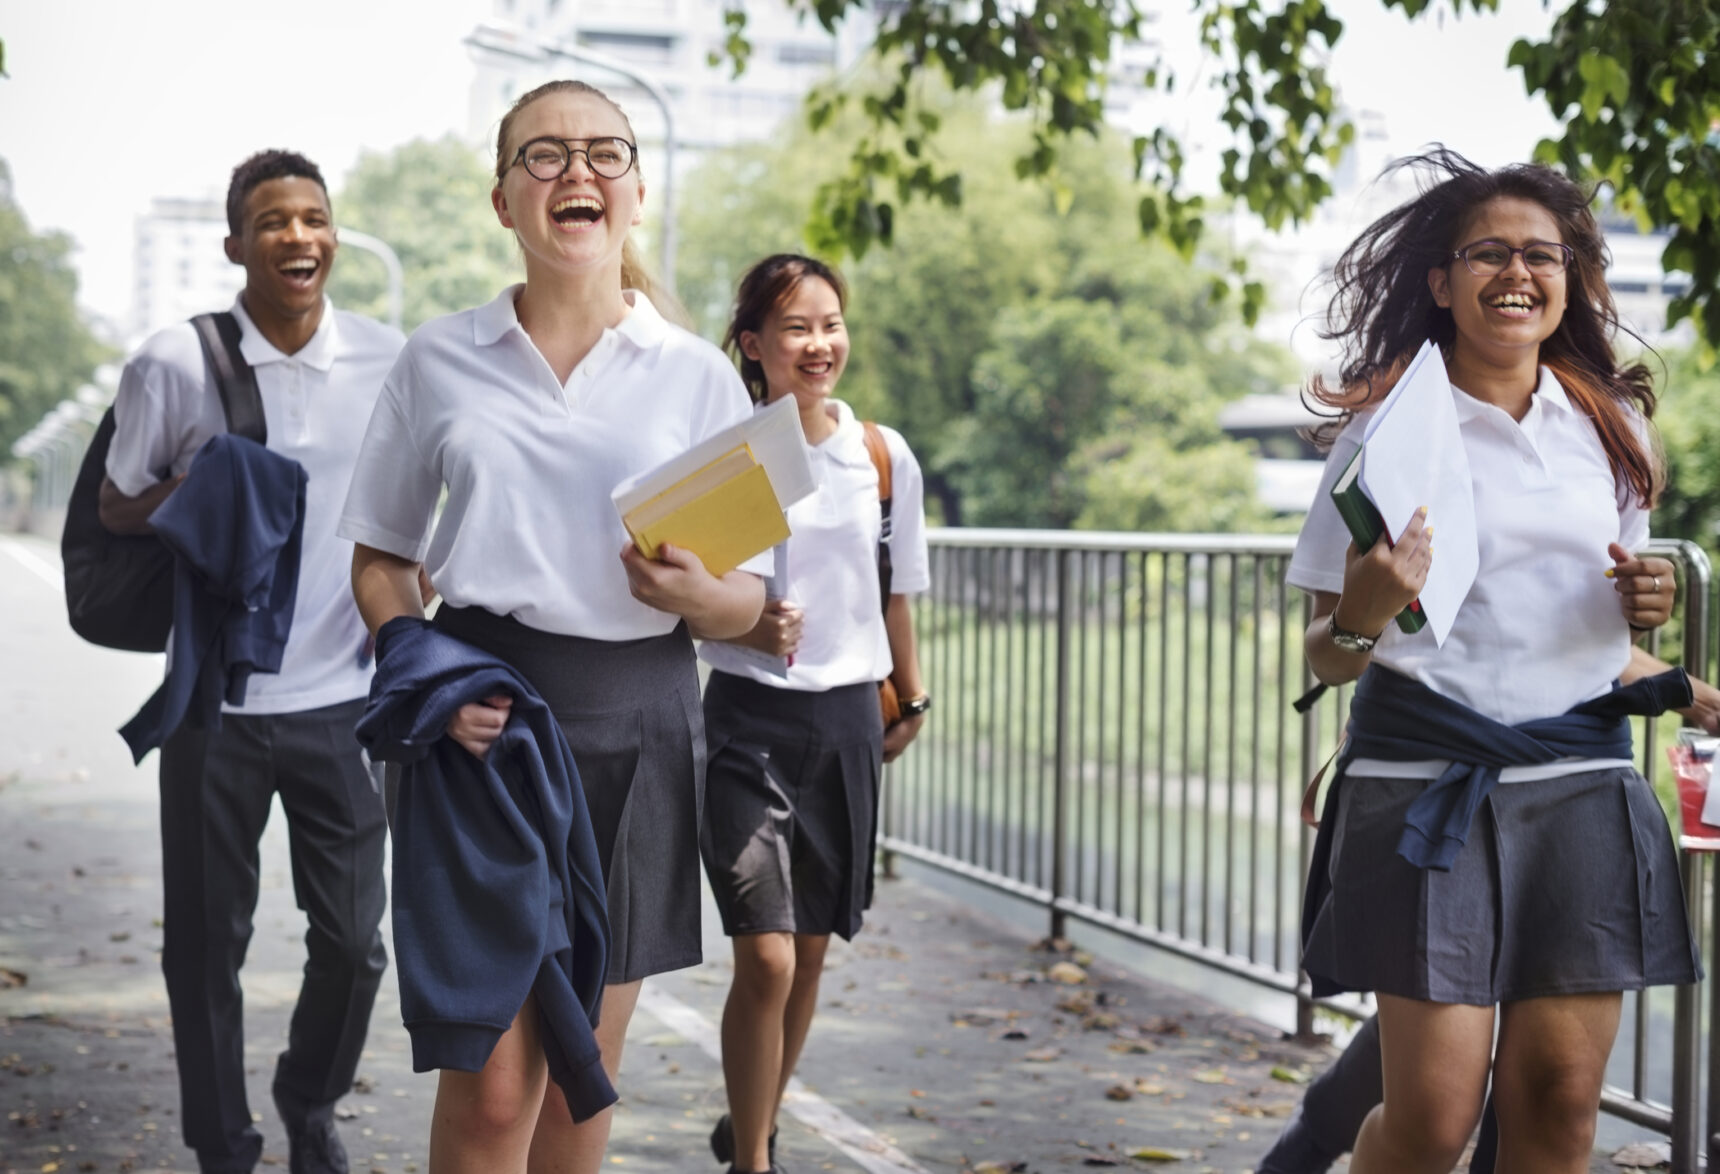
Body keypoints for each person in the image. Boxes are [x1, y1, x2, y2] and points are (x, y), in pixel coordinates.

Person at [337, 79, 768, 1173]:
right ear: (502, 201)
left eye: (603, 153)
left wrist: (695, 597)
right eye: (543, 155)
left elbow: (751, 602)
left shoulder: (701, 376)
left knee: (581, 1078)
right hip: (478, 724)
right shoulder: (439, 358)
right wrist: (422, 674)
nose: (575, 170)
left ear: (632, 193)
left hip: (641, 720)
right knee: (489, 1089)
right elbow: (381, 559)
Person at [1284, 149, 1701, 1174]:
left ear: (1569, 277)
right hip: (1428, 786)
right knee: (1432, 1119)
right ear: (1441, 280)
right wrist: (1365, 615)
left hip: (1580, 793)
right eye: (1487, 253)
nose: (1516, 274)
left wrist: (1650, 613)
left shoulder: (1614, 431)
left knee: (1558, 1104)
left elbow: (1599, 645)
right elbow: (1329, 659)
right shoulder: (1384, 436)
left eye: (1540, 254)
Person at [98, 150, 402, 1174]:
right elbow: (114, 503)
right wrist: (202, 486)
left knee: (358, 942)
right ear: (235, 245)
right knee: (205, 948)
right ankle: (221, 1144)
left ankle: (308, 1097)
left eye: (314, 217)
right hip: (215, 703)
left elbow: (412, 513)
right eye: (273, 220)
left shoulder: (386, 360)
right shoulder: (173, 364)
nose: (298, 236)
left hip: (345, 701)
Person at [1258, 645, 1720, 1174]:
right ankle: (1304, 1145)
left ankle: (1304, 1147)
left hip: (1556, 777)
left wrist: (1694, 693)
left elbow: (1558, 625)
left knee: (1541, 1085)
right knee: (1432, 1084)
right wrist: (1695, 695)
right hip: (1432, 758)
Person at [698, 255, 931, 1174]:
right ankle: (754, 1162)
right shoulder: (731, 453)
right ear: (754, 346)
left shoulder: (879, 454)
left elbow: (899, 592)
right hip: (747, 726)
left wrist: (909, 695)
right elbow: (693, 590)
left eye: (831, 323)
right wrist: (750, 624)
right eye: (796, 327)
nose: (819, 343)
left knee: (809, 949)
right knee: (767, 960)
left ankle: (753, 1123)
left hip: (844, 725)